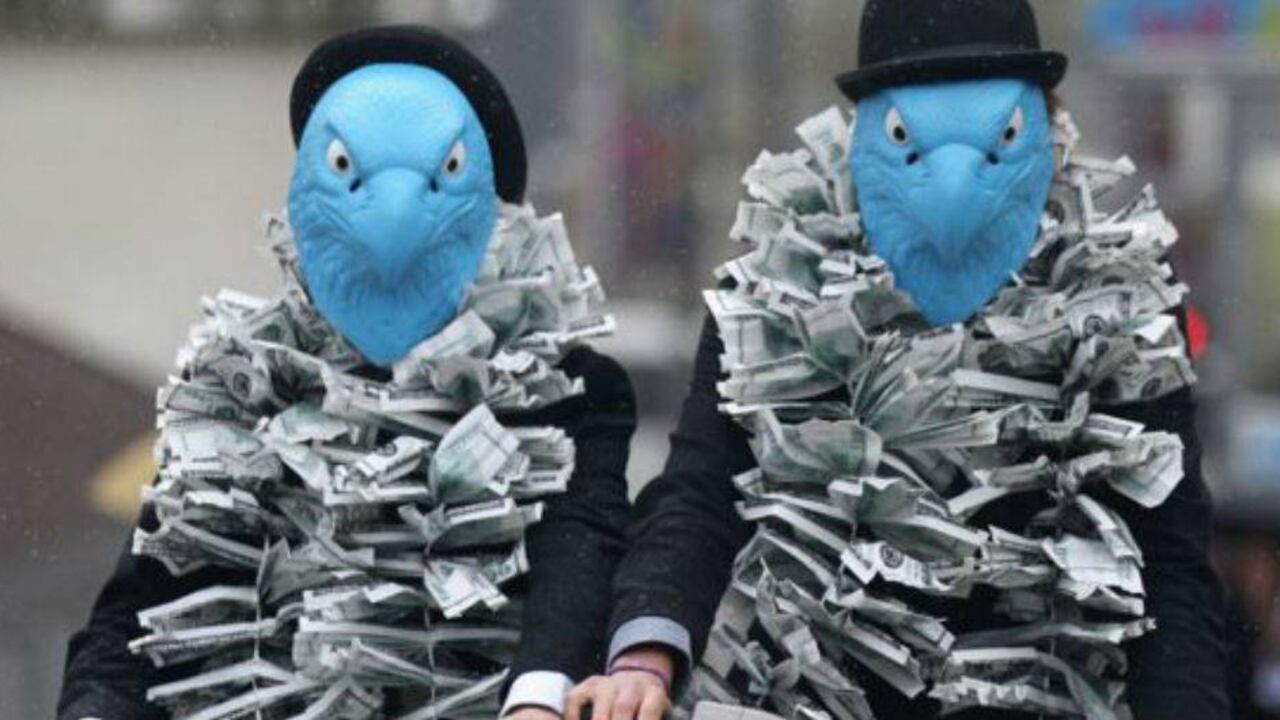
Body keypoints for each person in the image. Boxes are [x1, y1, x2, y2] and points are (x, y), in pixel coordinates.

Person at [570, 1, 1228, 719]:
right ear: (860, 133)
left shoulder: (1122, 303)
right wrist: (645, 658)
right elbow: (701, 492)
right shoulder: (774, 290)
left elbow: (1165, 566)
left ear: (1044, 125)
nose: (951, 188)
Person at [56, 26, 633, 720]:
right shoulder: (241, 395)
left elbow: (581, 555)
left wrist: (538, 698)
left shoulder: (566, 389)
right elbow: (141, 608)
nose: (391, 213)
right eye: (344, 166)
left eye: (442, 173)